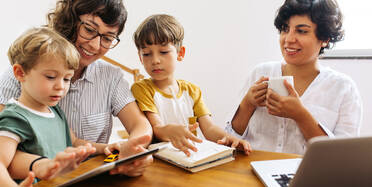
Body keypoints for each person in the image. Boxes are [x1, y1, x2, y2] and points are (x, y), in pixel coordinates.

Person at [0, 0, 153, 175]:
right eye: (88, 29)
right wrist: (43, 166)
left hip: (95, 180)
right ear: (69, 21)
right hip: (37, 184)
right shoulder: (23, 75)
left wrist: (129, 153)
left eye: (108, 38)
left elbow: (140, 125)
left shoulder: (111, 77)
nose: (95, 45)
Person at [226, 0, 362, 155]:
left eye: (302, 31)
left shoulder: (343, 88)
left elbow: (342, 156)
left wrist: (300, 115)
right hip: (250, 172)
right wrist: (248, 103)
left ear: (325, 39)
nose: (289, 39)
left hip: (307, 177)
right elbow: (229, 137)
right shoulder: (261, 73)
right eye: (285, 29)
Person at [131, 14, 251, 156]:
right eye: (146, 54)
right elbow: (157, 127)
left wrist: (230, 139)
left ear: (180, 53)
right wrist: (170, 131)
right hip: (162, 160)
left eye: (163, 52)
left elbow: (209, 128)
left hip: (191, 157)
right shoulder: (141, 88)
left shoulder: (192, 91)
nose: (155, 60)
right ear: (140, 57)